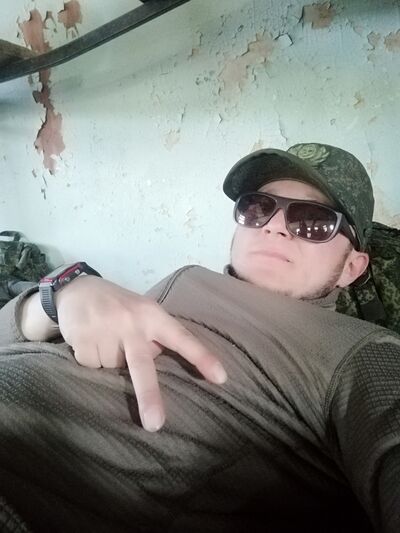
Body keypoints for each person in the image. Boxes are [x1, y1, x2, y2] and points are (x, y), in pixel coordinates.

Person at [0, 143, 399, 533]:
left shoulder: (362, 351)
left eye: (313, 220)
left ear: (352, 267)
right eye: (258, 207)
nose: (274, 226)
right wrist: (55, 299)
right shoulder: (188, 278)